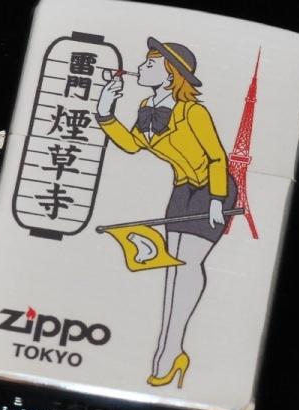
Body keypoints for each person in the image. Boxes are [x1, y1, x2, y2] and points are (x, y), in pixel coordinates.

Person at [95, 37, 237, 389]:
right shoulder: (147, 106)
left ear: (171, 73)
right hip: (181, 190)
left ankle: (169, 350)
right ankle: (172, 349)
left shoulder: (193, 112)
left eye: (150, 63)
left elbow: (217, 157)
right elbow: (132, 145)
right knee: (172, 268)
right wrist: (105, 113)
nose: (140, 67)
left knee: (187, 264)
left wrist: (217, 201)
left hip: (213, 189)